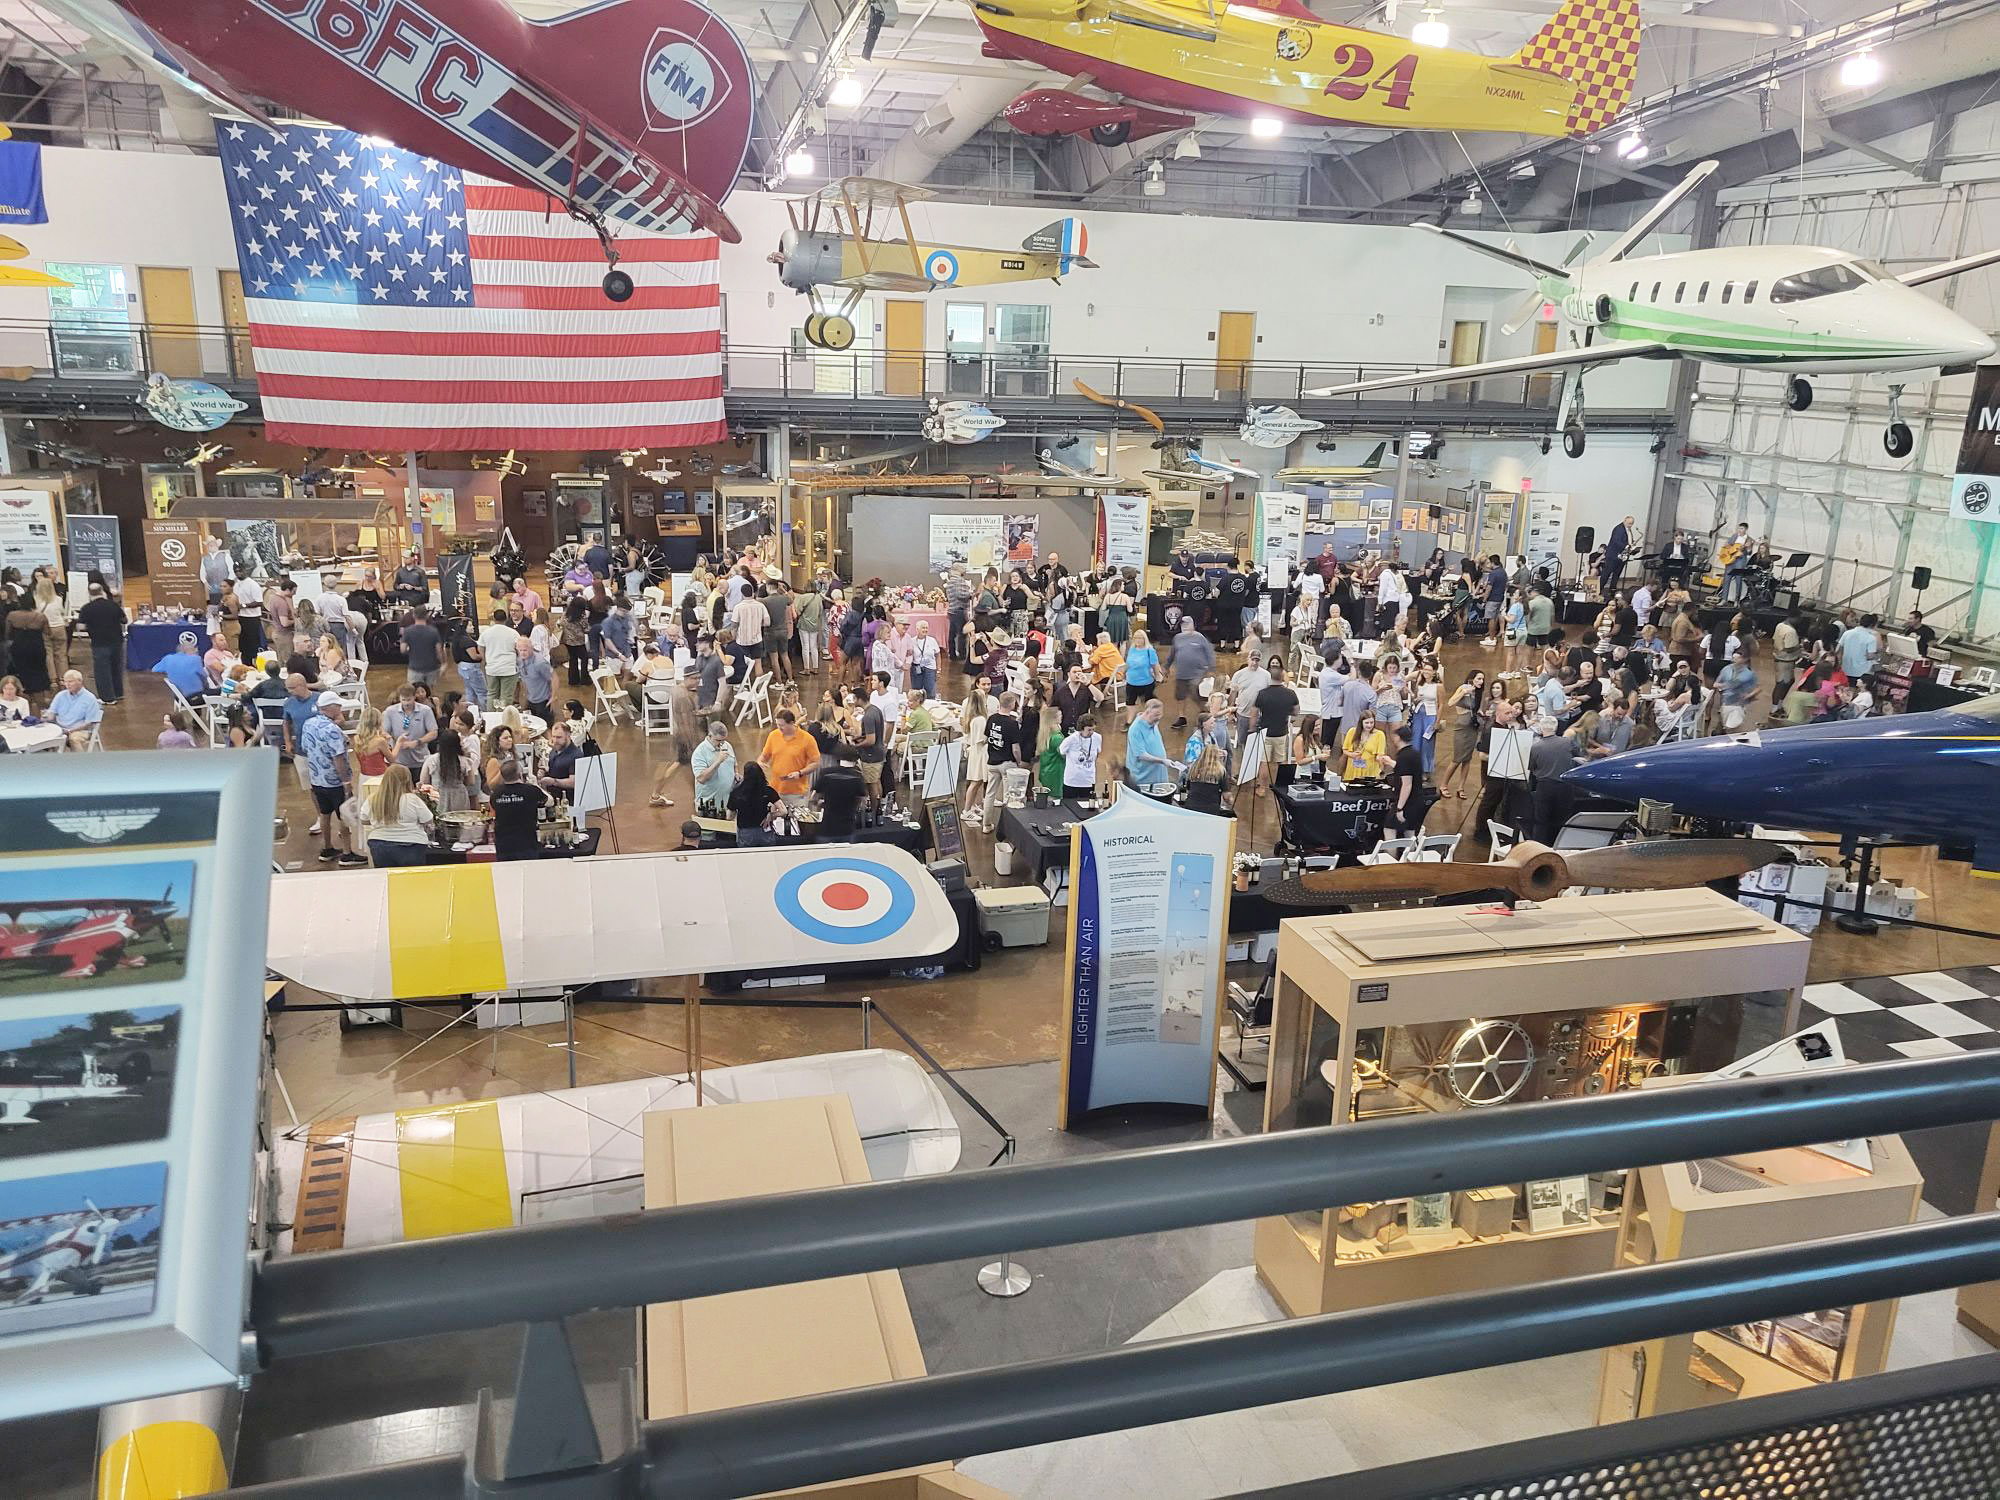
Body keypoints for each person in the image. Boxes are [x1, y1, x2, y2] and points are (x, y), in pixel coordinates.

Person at [304, 691, 366, 864]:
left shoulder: (309, 724)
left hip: (316, 779)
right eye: (337, 705)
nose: (340, 708)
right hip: (334, 781)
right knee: (343, 815)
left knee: (324, 814)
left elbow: (305, 748)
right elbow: (338, 758)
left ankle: (327, 848)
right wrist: (346, 781)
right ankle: (347, 852)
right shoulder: (332, 730)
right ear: (329, 707)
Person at [362, 764, 435, 868]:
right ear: (407, 780)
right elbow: (428, 819)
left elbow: (364, 820)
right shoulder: (412, 800)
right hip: (412, 845)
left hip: (379, 845)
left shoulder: (372, 799)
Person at [1526, 716, 1581, 844]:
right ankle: (1560, 847)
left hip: (1545, 786)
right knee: (1563, 821)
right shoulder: (1567, 742)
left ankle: (1538, 849)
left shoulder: (1536, 747)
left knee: (1541, 821)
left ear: (1541, 727)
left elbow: (1532, 767)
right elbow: (1577, 754)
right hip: (1565, 786)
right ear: (1556, 727)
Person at [979, 690, 1026, 828]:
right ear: (1012, 705)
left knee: (990, 795)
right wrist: (1018, 762)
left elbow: (987, 738)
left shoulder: (991, 718)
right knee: (1009, 796)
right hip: (1007, 763)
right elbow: (1015, 748)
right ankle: (1007, 828)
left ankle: (986, 824)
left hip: (992, 762)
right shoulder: (1012, 724)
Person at [760, 708, 820, 813]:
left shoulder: (807, 739)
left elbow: (815, 762)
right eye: (777, 725)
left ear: (792, 723)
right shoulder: (773, 736)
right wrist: (760, 762)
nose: (779, 728)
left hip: (796, 793)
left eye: (782, 725)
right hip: (775, 790)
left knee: (795, 824)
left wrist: (800, 773)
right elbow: (764, 756)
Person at [76, 582, 126, 705]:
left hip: (99, 643)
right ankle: (118, 693)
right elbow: (124, 620)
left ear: (89, 593)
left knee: (102, 671)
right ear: (102, 591)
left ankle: (108, 698)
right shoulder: (113, 605)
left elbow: (81, 627)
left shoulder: (87, 608)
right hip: (116, 641)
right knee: (116, 667)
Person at [488, 760, 548, 861]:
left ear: (502, 776)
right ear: (520, 774)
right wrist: (536, 784)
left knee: (507, 873)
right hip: (527, 843)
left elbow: (494, 808)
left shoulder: (495, 794)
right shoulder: (531, 790)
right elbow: (549, 801)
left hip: (503, 845)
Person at [1165, 617, 1215, 729]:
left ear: (1193, 625)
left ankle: (1205, 713)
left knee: (1196, 692)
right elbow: (1172, 654)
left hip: (1198, 673)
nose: (1185, 626)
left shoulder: (1200, 637)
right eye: (1183, 624)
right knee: (1180, 696)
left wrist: (1211, 668)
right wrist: (1166, 667)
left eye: (1187, 624)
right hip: (1181, 673)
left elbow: (1209, 652)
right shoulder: (1177, 638)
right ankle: (1182, 717)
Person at [421, 727, 480, 813]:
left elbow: (424, 781)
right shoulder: (464, 761)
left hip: (437, 796)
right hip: (459, 797)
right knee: (459, 821)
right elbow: (471, 782)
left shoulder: (431, 760)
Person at [1124, 697, 1174, 796]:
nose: (1159, 718)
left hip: (1158, 779)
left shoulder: (1154, 723)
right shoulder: (1136, 729)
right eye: (1156, 715)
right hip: (1144, 781)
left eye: (1160, 714)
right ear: (1147, 711)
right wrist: (1162, 761)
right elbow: (1141, 755)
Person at [1386, 722, 1430, 835]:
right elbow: (1408, 770)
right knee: (1409, 833)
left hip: (1408, 803)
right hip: (1417, 800)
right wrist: (1391, 763)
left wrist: (1399, 808)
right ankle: (1411, 852)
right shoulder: (1414, 753)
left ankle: (1390, 853)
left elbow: (1407, 784)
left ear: (1398, 738)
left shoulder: (1403, 757)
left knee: (1389, 828)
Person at [815, 746, 867, 837]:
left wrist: (821, 803)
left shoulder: (826, 774)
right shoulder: (857, 777)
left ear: (837, 758)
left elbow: (816, 796)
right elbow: (862, 802)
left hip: (827, 827)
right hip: (847, 828)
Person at [46, 670, 102, 750]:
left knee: (74, 738)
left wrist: (70, 731)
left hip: (81, 730)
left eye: (70, 681)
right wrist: (46, 717)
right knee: (42, 736)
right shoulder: (60, 695)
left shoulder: (89, 698)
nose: (67, 685)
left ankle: (79, 761)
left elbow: (88, 723)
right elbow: (51, 714)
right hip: (60, 729)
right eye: (65, 682)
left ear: (80, 681)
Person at [729, 762, 782, 845]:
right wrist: (771, 815)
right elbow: (783, 811)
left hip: (746, 832)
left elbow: (729, 816)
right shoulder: (768, 791)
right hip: (764, 829)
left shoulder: (737, 793)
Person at [691, 721, 737, 816]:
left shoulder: (727, 746)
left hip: (727, 806)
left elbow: (734, 764)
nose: (722, 744)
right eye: (718, 741)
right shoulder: (700, 752)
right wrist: (718, 761)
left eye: (723, 740)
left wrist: (736, 774)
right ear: (710, 735)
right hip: (708, 807)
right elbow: (701, 778)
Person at [1058, 707, 1104, 799]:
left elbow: (1097, 753)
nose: (1092, 732)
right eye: (1089, 730)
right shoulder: (1071, 739)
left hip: (1088, 780)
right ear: (1081, 729)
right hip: (1071, 780)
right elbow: (1061, 751)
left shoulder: (1097, 738)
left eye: (1093, 729)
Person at [479, 608, 520, 709]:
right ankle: (503, 718)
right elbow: (519, 649)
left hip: (492, 668)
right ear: (506, 619)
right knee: (506, 696)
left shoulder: (486, 633)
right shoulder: (513, 633)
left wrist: (486, 660)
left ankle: (491, 717)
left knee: (492, 694)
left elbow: (480, 648)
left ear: (493, 618)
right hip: (509, 668)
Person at [1121, 629, 1159, 726]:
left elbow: (1155, 665)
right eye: (1136, 638)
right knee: (1130, 702)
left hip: (1146, 682)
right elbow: (1128, 663)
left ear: (1144, 639)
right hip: (1131, 681)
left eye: (1140, 638)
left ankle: (1146, 721)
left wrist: (1158, 675)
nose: (1137, 640)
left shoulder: (1149, 650)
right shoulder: (1132, 649)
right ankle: (1129, 721)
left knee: (1146, 703)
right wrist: (1123, 673)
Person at [1341, 709, 1389, 781]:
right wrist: (1352, 755)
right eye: (1366, 723)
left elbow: (1380, 754)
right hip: (1353, 769)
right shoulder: (1352, 732)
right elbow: (1344, 750)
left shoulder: (1380, 734)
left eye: (1371, 722)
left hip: (1370, 770)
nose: (1369, 725)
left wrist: (1380, 760)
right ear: (1361, 723)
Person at [1839, 612, 1881, 683]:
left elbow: (1839, 648)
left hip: (1845, 668)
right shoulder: (1871, 638)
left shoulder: (1847, 633)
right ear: (1872, 625)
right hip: (1862, 672)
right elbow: (1870, 656)